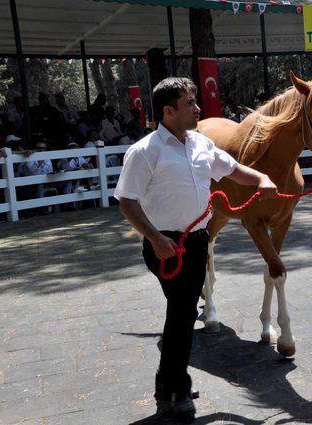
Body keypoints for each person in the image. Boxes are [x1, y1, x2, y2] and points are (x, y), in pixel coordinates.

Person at [114, 77, 278, 422]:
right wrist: (156, 239)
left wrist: (261, 179)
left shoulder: (200, 144)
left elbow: (233, 170)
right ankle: (174, 391)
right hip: (165, 245)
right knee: (182, 312)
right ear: (168, 111)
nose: (198, 108)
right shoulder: (145, 151)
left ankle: (171, 388)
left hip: (196, 241)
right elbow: (126, 202)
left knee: (183, 314)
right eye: (190, 103)